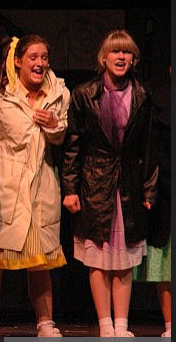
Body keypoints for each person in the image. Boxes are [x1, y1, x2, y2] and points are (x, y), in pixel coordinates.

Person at [0, 35, 69, 337]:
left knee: (41, 262)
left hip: (40, 187)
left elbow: (60, 136)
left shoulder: (58, 93)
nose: (40, 63)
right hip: (3, 188)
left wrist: (54, 125)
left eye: (44, 57)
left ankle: (45, 323)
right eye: (33, 57)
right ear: (18, 61)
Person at [62, 29, 157, 337]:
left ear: (134, 59)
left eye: (126, 52)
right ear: (103, 57)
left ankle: (122, 325)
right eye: (115, 51)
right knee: (99, 258)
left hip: (128, 184)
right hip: (95, 183)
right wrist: (70, 189)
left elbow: (148, 147)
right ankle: (105, 325)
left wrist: (149, 189)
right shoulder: (84, 93)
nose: (121, 56)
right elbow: (73, 145)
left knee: (124, 260)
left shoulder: (142, 95)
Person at [132, 65, 170, 338]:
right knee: (166, 264)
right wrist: (149, 189)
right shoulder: (159, 101)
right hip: (166, 190)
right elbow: (150, 150)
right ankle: (170, 324)